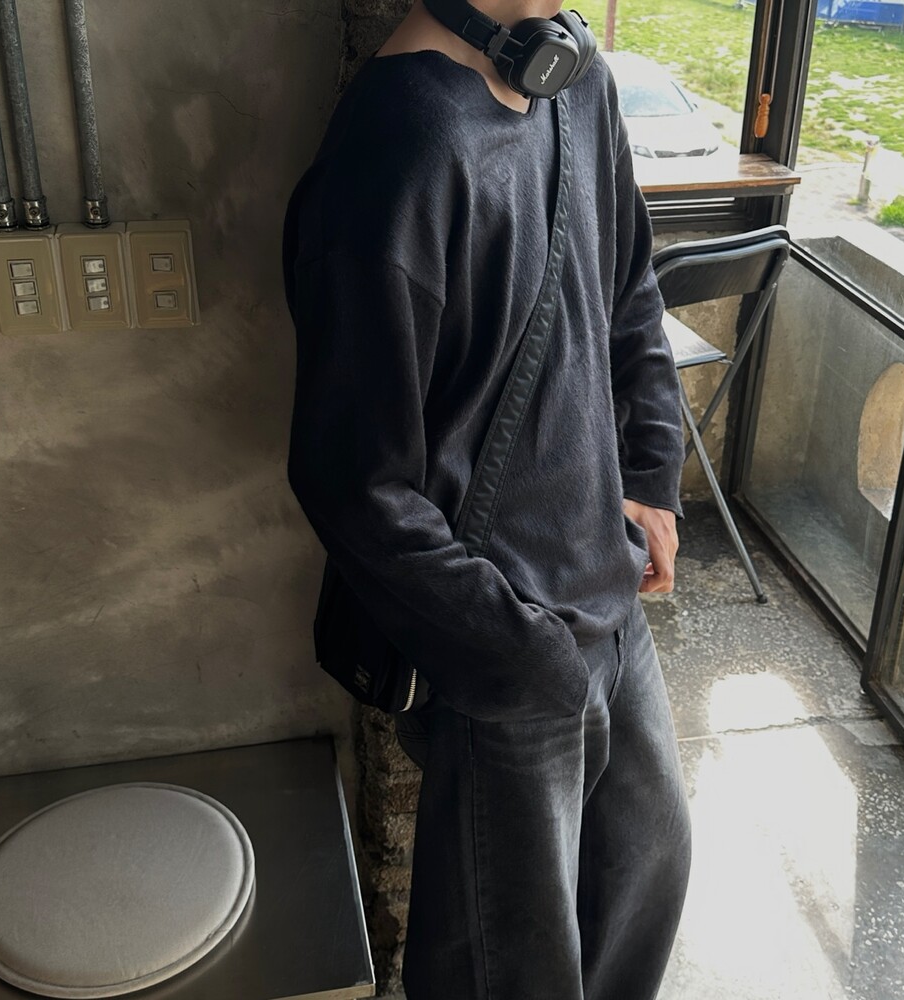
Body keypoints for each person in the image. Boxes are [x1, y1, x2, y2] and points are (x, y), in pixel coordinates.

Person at [282, 0, 692, 996]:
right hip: (503, 635)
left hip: (607, 586)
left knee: (648, 871)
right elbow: (353, 481)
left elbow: (629, 291)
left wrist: (649, 473)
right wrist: (516, 654)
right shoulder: (397, 146)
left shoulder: (577, 80)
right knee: (513, 965)